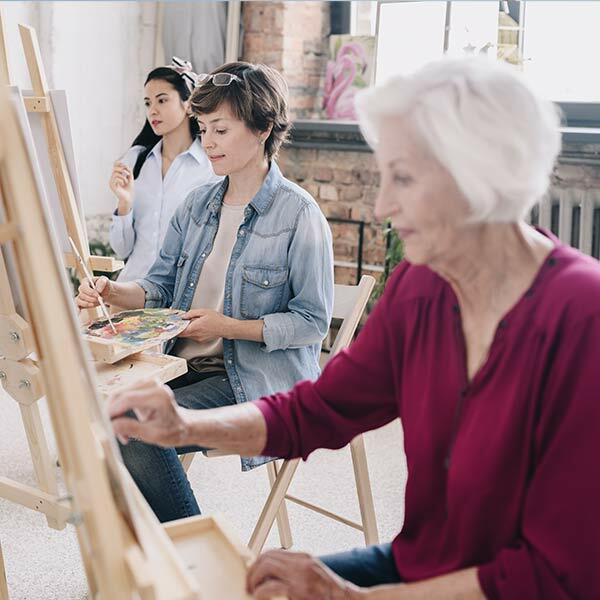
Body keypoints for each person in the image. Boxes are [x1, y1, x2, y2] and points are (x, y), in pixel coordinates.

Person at [107, 57, 600, 600]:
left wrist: (349, 597)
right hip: (423, 564)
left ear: (479, 175)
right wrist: (185, 428)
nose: (385, 204)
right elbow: (318, 410)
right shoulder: (420, 286)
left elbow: (558, 576)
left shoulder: (583, 316)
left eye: (404, 178)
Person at [77, 61, 334, 523]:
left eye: (220, 129)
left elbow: (312, 322)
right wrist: (113, 291)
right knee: (103, 410)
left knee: (135, 428)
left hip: (258, 381)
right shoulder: (197, 206)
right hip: (187, 364)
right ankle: (160, 554)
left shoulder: (299, 214)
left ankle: (188, 561)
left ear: (262, 129)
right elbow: (158, 288)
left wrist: (228, 326)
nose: (208, 141)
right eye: (203, 128)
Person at [109, 57, 220, 281]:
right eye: (148, 103)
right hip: (131, 288)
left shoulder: (211, 167)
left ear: (187, 104)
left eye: (162, 100)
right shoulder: (134, 161)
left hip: (178, 295)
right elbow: (121, 250)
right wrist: (125, 204)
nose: (153, 111)